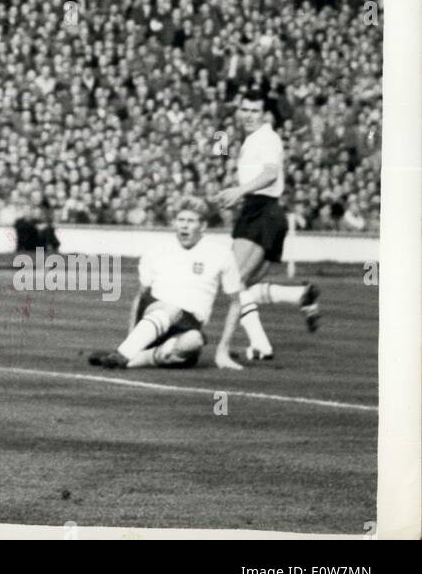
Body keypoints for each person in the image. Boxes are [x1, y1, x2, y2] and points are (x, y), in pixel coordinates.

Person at [213, 89, 319, 361]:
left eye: (254, 111)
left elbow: (271, 174)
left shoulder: (267, 137)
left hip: (262, 212)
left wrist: (239, 191)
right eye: (244, 110)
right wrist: (238, 192)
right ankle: (296, 298)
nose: (248, 115)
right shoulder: (254, 139)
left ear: (264, 114)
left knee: (233, 283)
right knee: (240, 285)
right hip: (262, 212)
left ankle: (245, 347)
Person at [89, 197, 243, 370]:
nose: (184, 225)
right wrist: (130, 336)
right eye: (181, 220)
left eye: (191, 221)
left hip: (188, 324)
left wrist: (223, 349)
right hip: (155, 312)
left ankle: (133, 358)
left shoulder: (220, 254)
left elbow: (236, 302)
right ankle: (124, 353)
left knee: (195, 340)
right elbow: (141, 296)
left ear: (203, 226)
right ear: (174, 223)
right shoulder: (157, 251)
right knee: (172, 310)